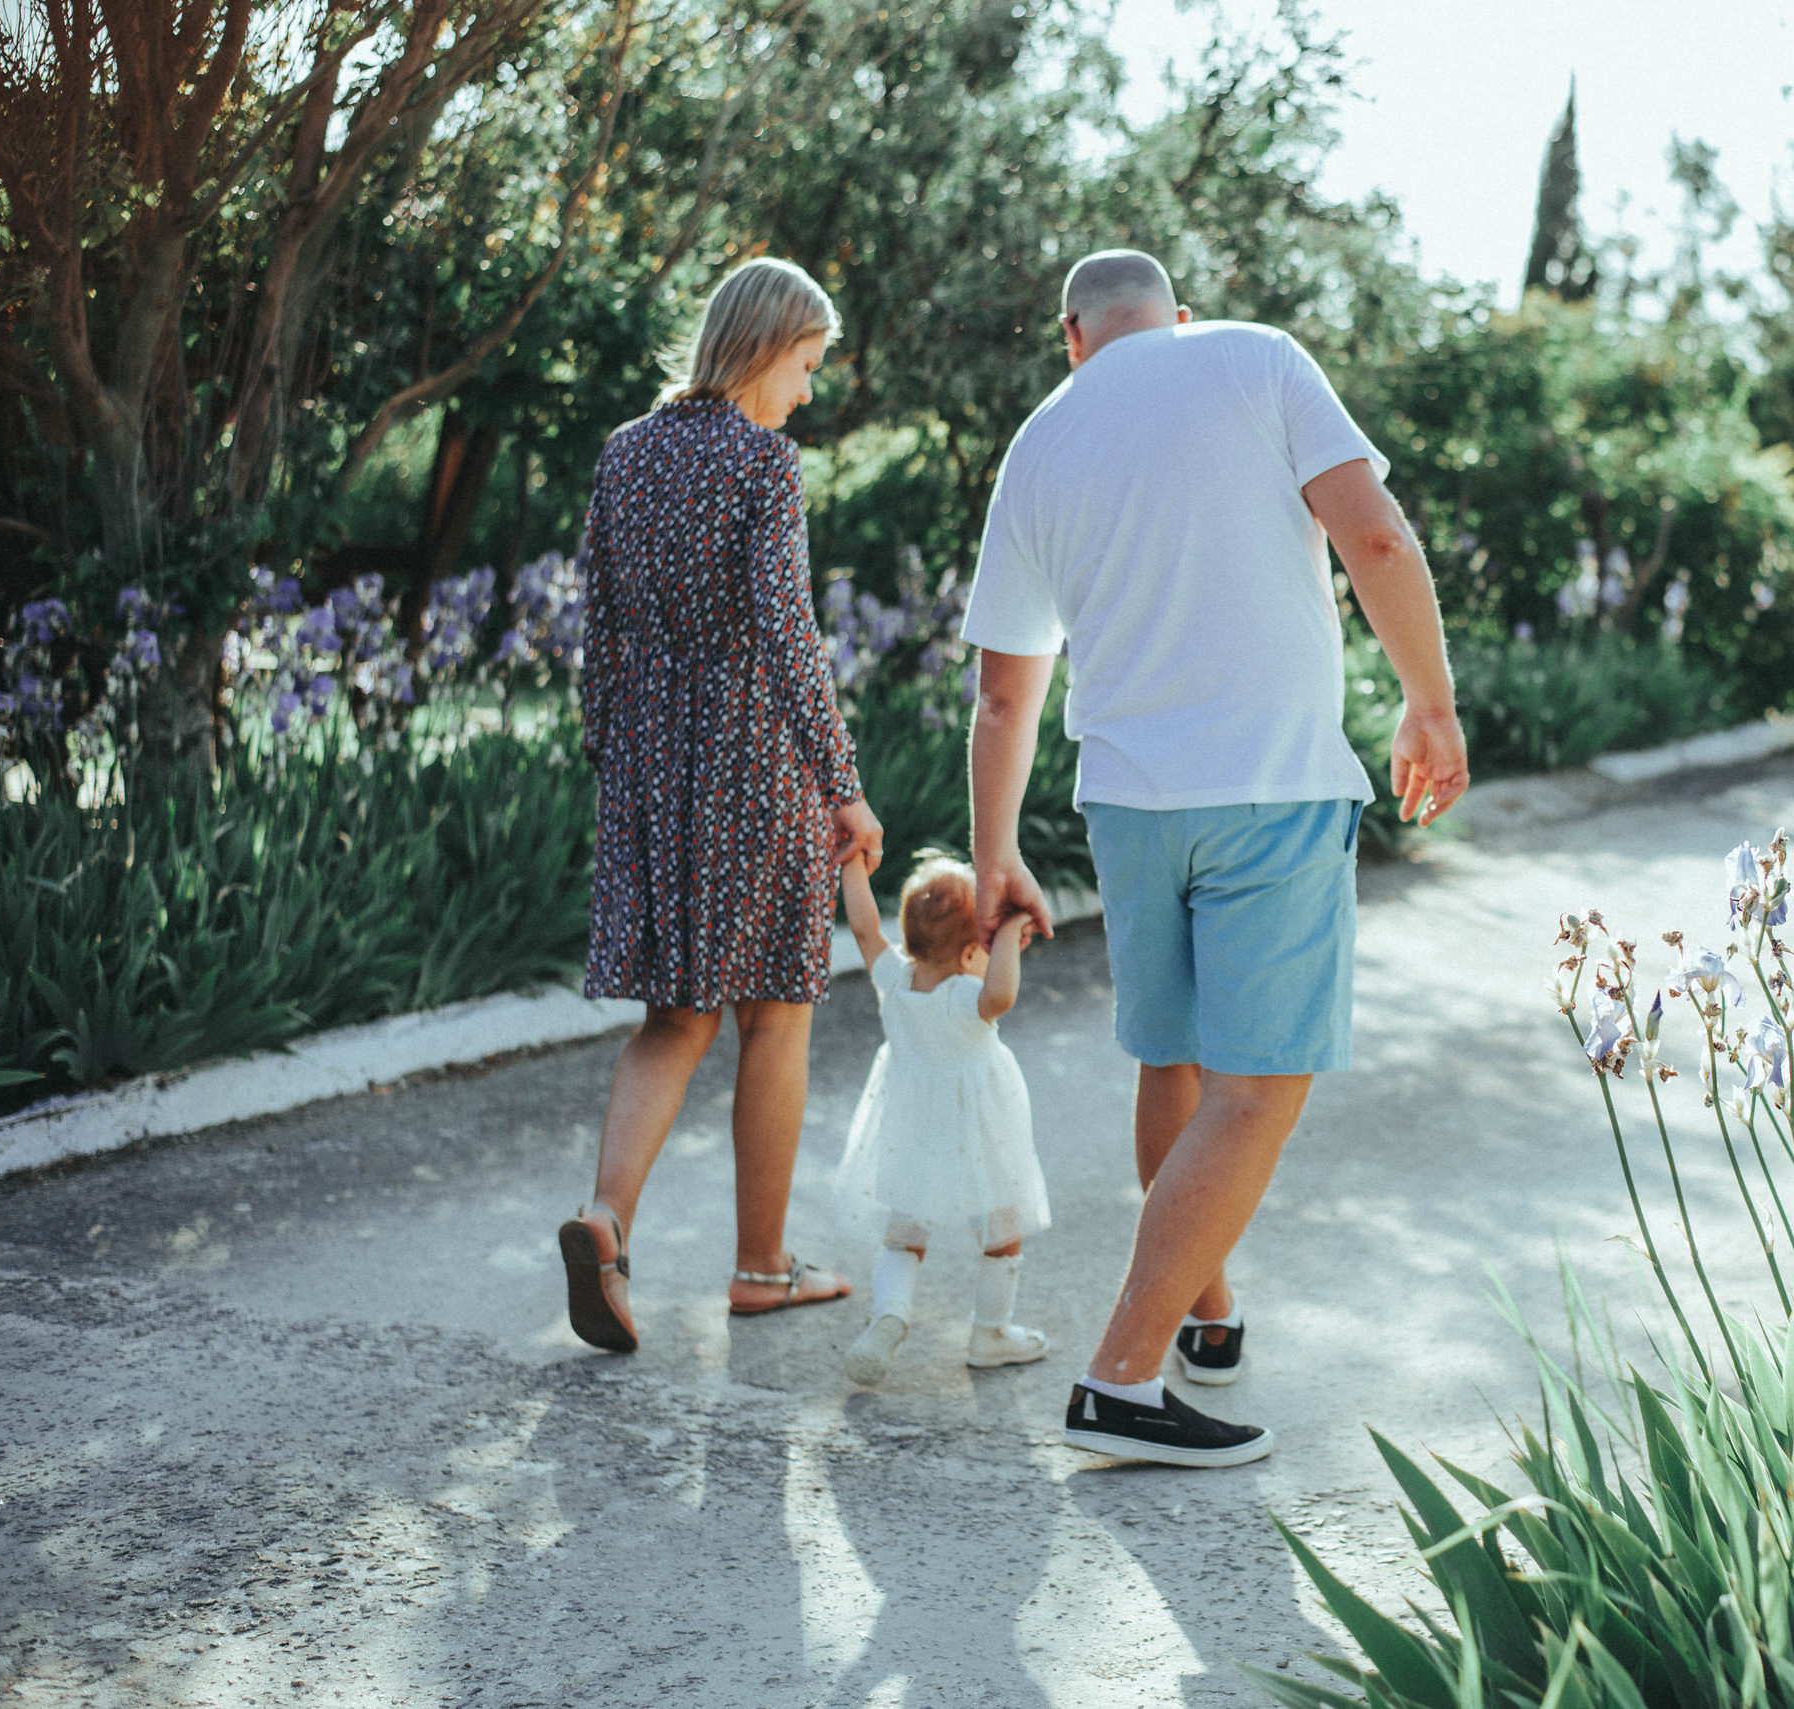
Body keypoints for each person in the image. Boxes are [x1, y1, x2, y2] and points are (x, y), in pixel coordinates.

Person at [962, 248, 1469, 1467]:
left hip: (1129, 806)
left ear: (1071, 337)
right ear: (1173, 318)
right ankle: (1123, 1378)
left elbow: (1000, 694)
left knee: (1174, 1064)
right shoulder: (1252, 356)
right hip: (1271, 787)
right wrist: (1430, 705)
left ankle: (1210, 1315)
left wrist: (995, 858)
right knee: (1259, 1086)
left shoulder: (1040, 438)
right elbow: (1378, 538)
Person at [557, 256, 885, 1354]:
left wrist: (615, 753)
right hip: (754, 765)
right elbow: (788, 631)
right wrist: (842, 783)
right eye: (805, 364)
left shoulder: (626, 454)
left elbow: (595, 625)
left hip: (651, 765)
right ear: (763, 348)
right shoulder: (761, 463)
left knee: (673, 1016)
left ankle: (606, 1220)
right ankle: (760, 1266)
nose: (807, 390)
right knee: (776, 1014)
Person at [833, 852, 1051, 1385]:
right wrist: (1012, 932)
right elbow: (1001, 993)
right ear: (974, 949)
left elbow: (863, 929)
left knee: (904, 1232)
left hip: (911, 1128)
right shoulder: (965, 997)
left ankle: (889, 1314)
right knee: (1002, 1226)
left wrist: (851, 866)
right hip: (978, 1133)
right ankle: (991, 1333)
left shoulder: (895, 981)